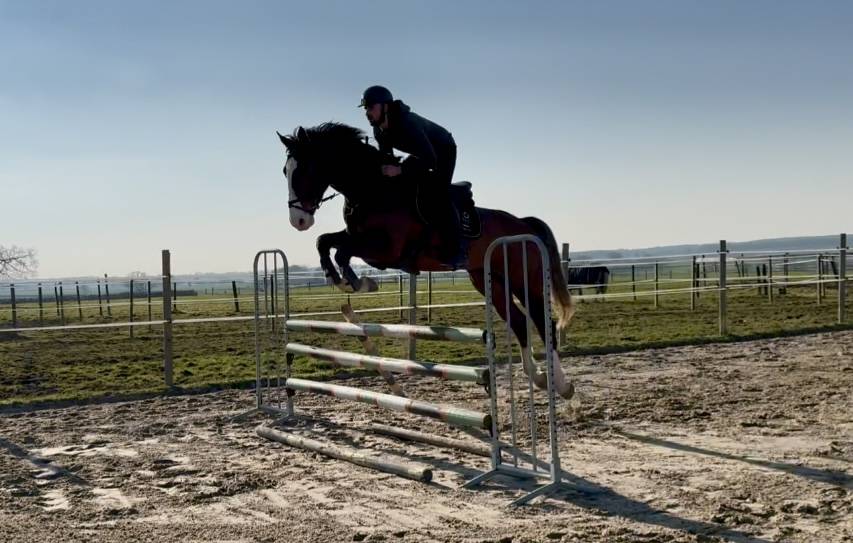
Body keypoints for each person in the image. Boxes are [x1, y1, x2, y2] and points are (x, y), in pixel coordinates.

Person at [359, 85, 463, 268]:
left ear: (385, 106)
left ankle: (457, 251)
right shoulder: (378, 129)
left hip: (442, 151)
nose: (367, 113)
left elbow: (431, 160)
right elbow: (387, 158)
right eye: (366, 108)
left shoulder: (407, 123)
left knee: (437, 193)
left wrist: (399, 171)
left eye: (370, 107)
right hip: (420, 155)